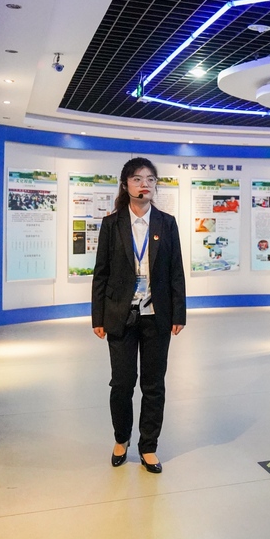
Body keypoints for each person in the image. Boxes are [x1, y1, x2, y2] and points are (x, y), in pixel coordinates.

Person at [92, 157, 186, 473]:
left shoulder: (166, 223)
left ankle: (148, 446)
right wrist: (97, 317)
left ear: (155, 185)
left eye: (149, 179)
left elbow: (176, 271)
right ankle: (121, 439)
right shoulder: (112, 224)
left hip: (157, 315)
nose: (144, 184)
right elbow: (101, 273)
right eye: (136, 179)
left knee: (153, 384)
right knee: (121, 383)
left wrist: (179, 312)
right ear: (125, 185)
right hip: (120, 314)